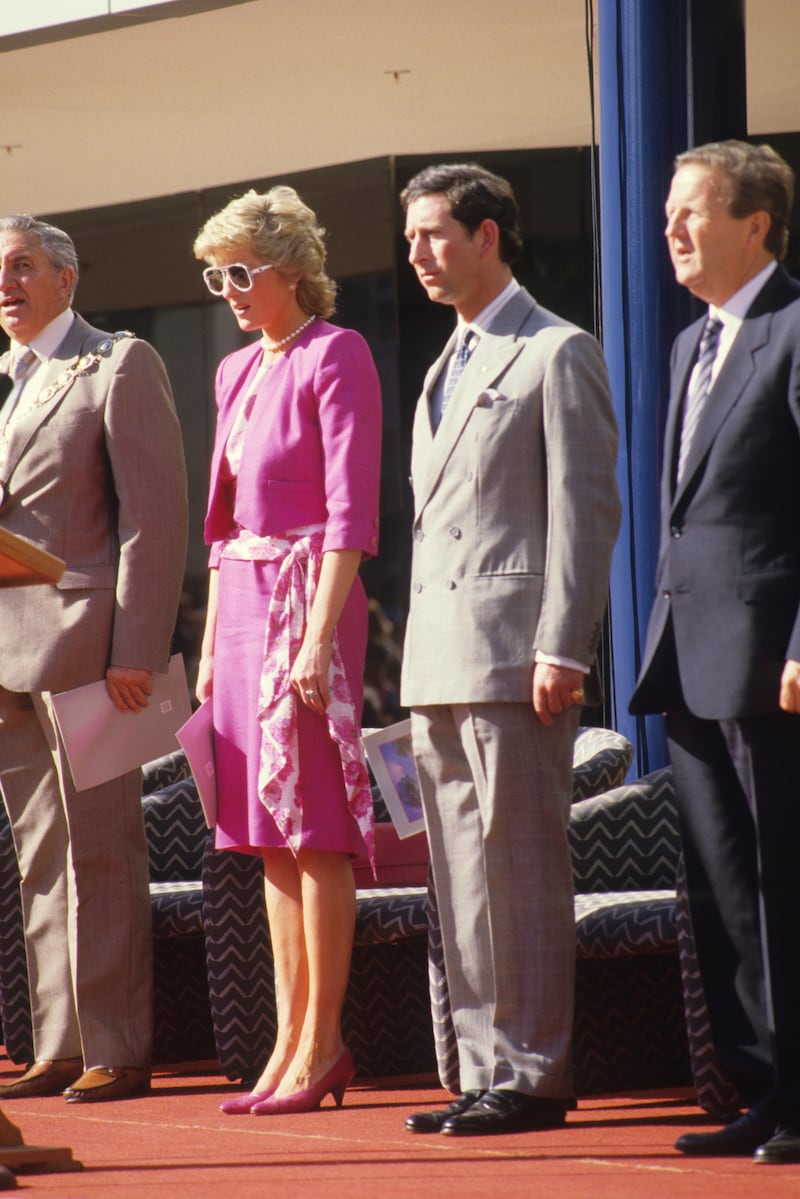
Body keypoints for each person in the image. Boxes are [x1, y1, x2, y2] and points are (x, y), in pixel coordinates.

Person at [399, 164, 620, 1136]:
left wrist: (561, 646)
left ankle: (533, 1071)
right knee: (457, 875)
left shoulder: (553, 350)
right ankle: (483, 1063)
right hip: (436, 663)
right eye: (408, 238)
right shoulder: (442, 363)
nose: (415, 254)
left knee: (519, 870)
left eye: (433, 234)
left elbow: (583, 511)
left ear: (489, 235)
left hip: (512, 658)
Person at [193, 187, 381, 1116]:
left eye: (239, 271)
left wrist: (316, 641)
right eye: (214, 273)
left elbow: (351, 512)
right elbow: (221, 525)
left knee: (314, 831)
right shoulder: (234, 371)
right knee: (265, 838)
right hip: (238, 605)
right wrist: (204, 648)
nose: (225, 288)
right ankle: (285, 1040)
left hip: (311, 599)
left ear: (293, 271)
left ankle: (326, 1039)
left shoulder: (336, 354)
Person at [631, 140, 800, 1165]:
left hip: (765, 662)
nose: (672, 231)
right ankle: (761, 1084)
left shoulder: (790, 329)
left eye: (692, 212)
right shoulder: (692, 343)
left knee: (782, 882)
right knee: (723, 887)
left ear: (755, 224)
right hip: (685, 655)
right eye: (665, 215)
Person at [0, 215, 188, 1102]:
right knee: (39, 854)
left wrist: (137, 652)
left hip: (91, 650)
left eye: (22, 266)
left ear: (66, 280)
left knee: (102, 850)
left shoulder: (117, 363)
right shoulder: (4, 379)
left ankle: (117, 1042)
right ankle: (60, 1041)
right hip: (5, 655)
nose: (7, 283)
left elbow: (153, 520)